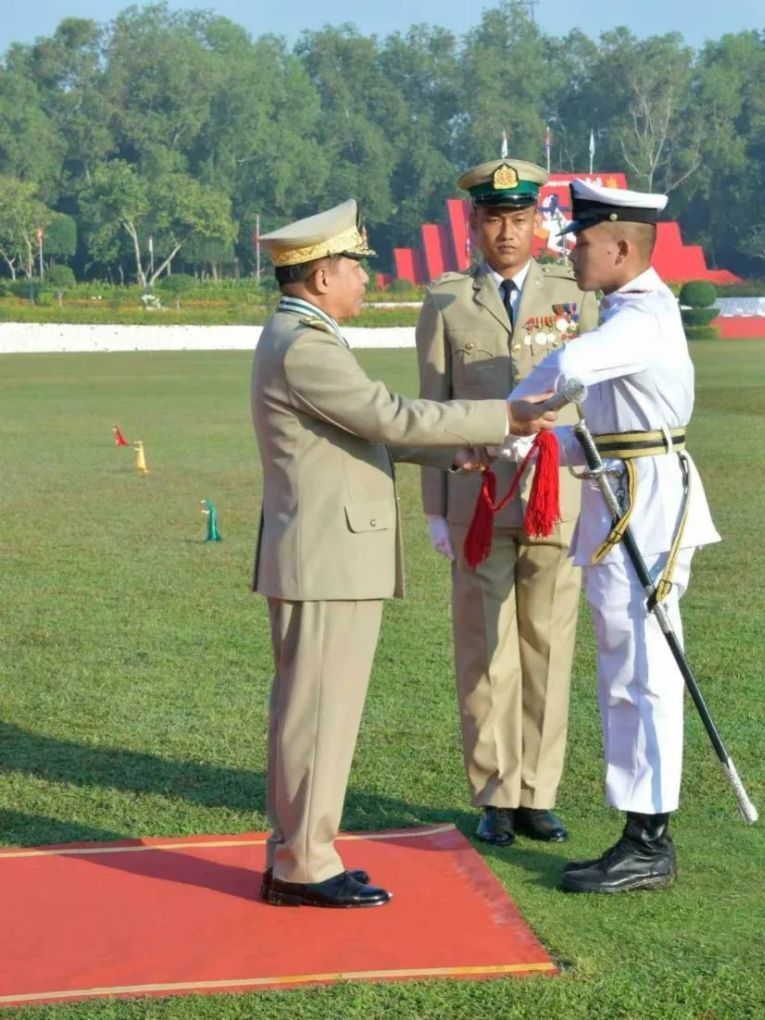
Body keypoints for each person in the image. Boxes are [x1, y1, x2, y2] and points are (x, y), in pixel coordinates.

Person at [250, 199, 556, 909]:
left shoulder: (301, 336)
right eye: (356, 267)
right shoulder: (306, 346)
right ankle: (303, 864)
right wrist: (499, 416)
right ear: (322, 276)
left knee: (314, 712)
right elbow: (387, 415)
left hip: (323, 552)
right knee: (318, 714)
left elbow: (375, 433)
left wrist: (466, 449)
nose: (365, 278)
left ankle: (304, 852)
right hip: (327, 557)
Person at [507, 179, 722, 893]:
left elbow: (567, 369)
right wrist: (505, 435)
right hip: (623, 495)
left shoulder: (643, 317)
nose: (570, 251)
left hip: (648, 510)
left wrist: (506, 416)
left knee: (645, 672)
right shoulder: (626, 316)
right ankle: (639, 827)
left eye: (585, 240)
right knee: (625, 669)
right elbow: (597, 433)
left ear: (622, 247)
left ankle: (650, 839)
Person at [415, 159, 599, 847]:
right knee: (484, 647)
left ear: (537, 223)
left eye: (519, 219)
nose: (507, 233)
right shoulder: (447, 302)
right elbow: (432, 410)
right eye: (493, 219)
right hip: (477, 495)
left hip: (557, 493)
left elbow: (594, 395)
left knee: (547, 642)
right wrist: (435, 507)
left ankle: (537, 795)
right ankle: (495, 791)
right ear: (473, 224)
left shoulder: (573, 293)